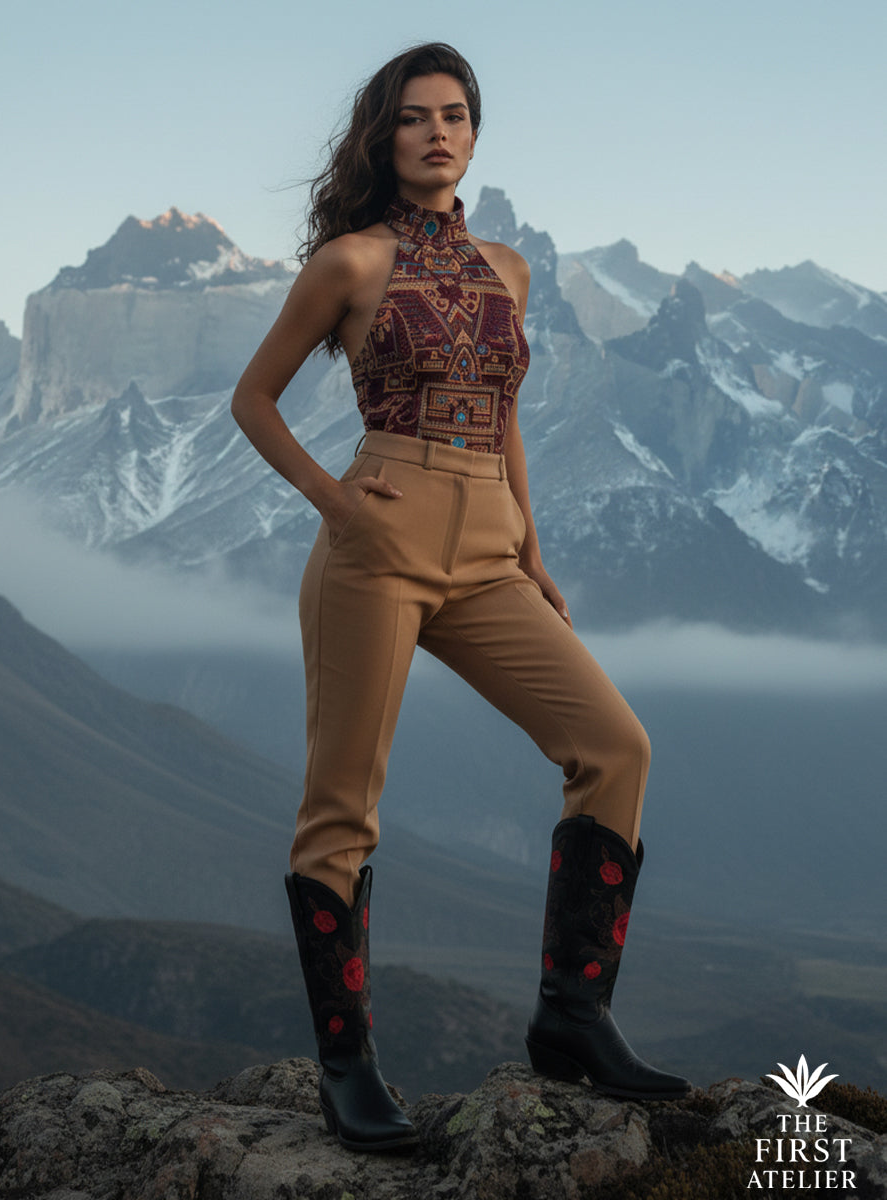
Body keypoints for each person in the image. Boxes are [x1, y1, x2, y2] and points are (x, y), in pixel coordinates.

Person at [231, 42, 690, 1153]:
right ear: (383, 136)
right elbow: (253, 400)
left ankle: (572, 1019)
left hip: (489, 547)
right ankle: (349, 1072)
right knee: (343, 808)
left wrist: (532, 546)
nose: (437, 132)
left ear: (475, 135)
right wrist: (336, 505)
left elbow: (505, 413)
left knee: (614, 748)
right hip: (378, 541)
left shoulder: (508, 269)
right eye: (414, 116)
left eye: (455, 115)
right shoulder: (350, 262)